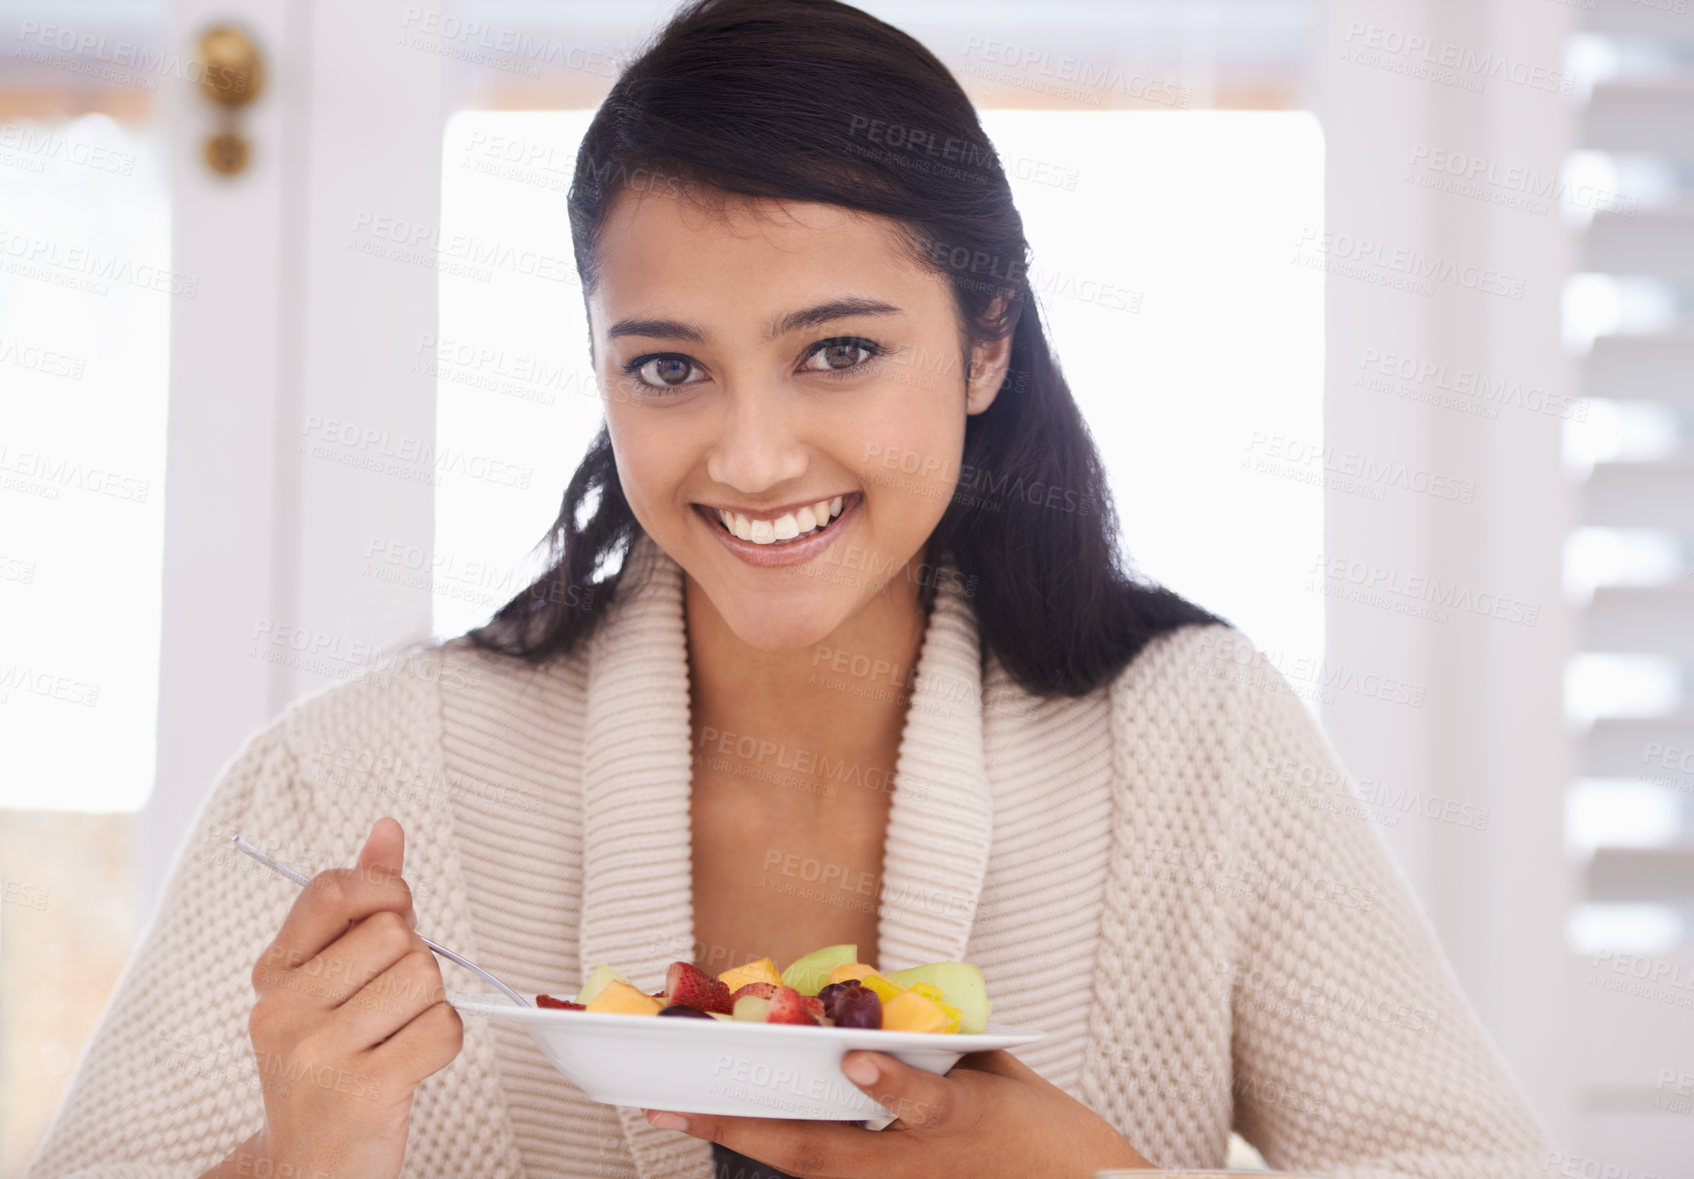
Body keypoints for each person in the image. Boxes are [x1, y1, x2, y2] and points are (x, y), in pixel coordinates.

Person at [24, 1, 1556, 1176]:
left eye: (838, 351)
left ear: (984, 346)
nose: (752, 458)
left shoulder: (1190, 736)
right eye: (669, 368)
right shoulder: (356, 782)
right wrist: (299, 1159)